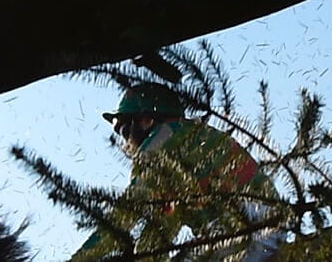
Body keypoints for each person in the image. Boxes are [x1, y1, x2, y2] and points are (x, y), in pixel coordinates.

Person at [68, 83, 289, 262]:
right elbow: (162, 228)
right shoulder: (191, 139)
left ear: (147, 121)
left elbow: (127, 213)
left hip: (240, 235)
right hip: (266, 230)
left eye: (125, 130)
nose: (126, 142)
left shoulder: (160, 142)